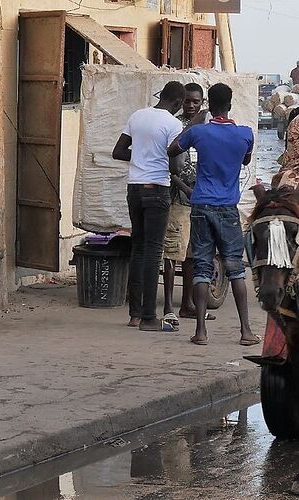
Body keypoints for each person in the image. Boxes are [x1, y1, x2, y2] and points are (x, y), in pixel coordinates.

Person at [168, 83, 259, 347]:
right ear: (230, 104)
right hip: (227, 208)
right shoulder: (244, 134)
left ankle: (201, 332)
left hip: (200, 206)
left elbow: (172, 149)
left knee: (201, 266)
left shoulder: (198, 132)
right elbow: (244, 160)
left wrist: (194, 123)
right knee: (234, 268)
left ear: (209, 104)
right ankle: (245, 331)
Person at [112, 81, 185, 331]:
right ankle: (149, 318)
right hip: (157, 189)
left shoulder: (137, 115)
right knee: (154, 253)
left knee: (139, 249)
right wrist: (161, 159)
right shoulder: (174, 124)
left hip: (134, 188)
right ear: (177, 103)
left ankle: (134, 314)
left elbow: (118, 151)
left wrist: (142, 156)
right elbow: (176, 167)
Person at [162, 83, 216, 330]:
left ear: (203, 102)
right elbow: (168, 167)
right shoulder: (176, 127)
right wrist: (187, 190)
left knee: (194, 255)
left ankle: (189, 304)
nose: (192, 105)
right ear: (181, 101)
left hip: (200, 198)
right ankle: (168, 309)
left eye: (196, 102)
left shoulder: (208, 128)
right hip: (180, 198)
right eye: (188, 101)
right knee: (174, 253)